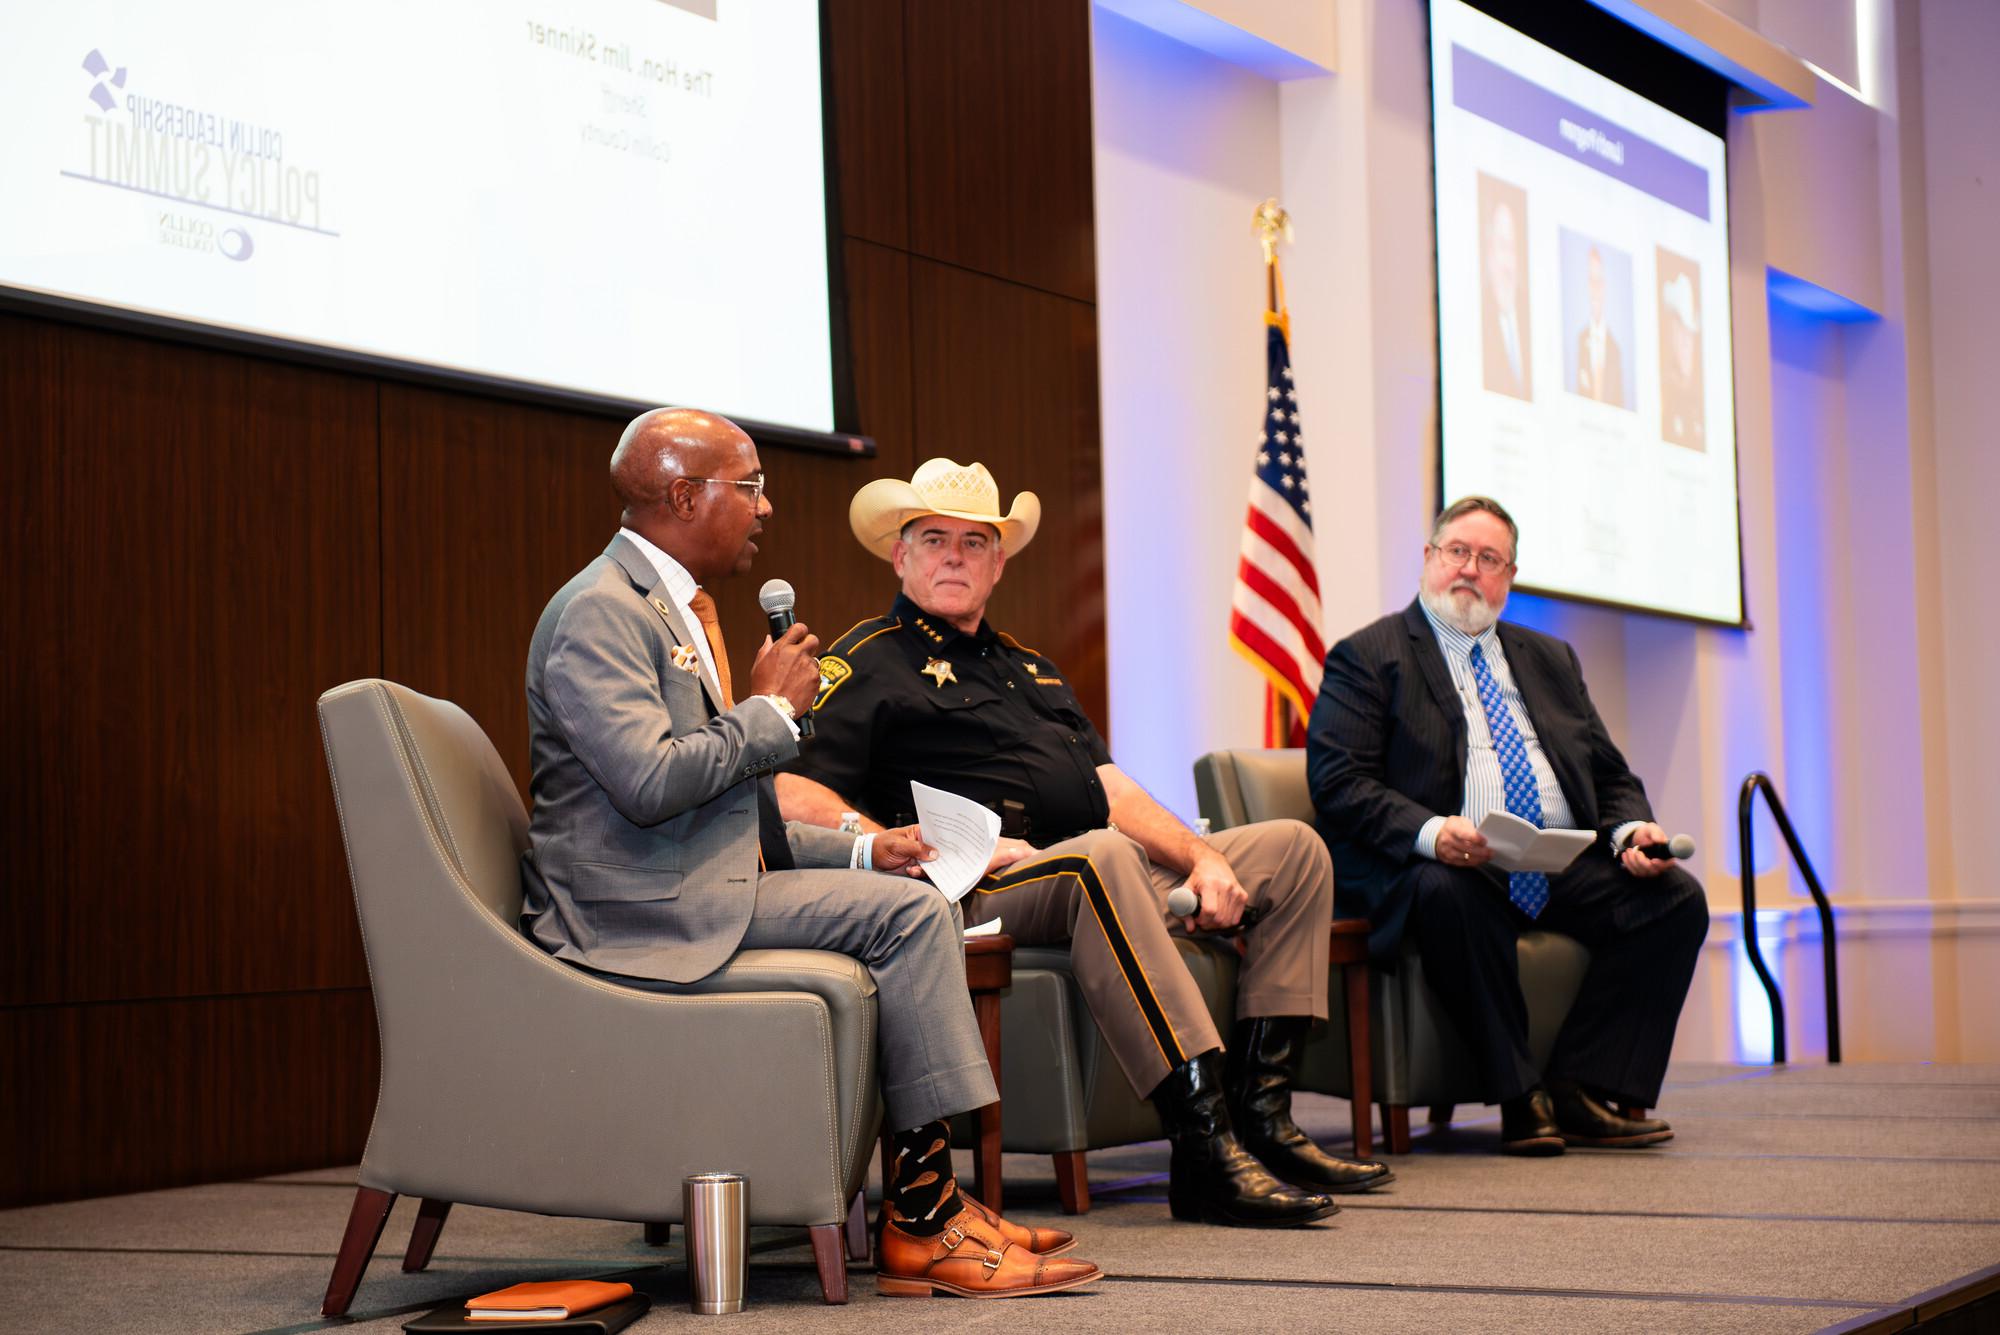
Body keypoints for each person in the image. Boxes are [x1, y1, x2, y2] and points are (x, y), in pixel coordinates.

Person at [520, 409, 1100, 1297]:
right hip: (639, 906)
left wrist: (872, 854)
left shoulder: (672, 606)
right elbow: (648, 784)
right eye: (748, 486)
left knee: (910, 889)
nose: (766, 507)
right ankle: (924, 1217)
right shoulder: (599, 612)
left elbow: (733, 815)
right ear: (683, 494)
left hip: (691, 880)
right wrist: (772, 712)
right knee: (913, 918)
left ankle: (930, 1203)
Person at [777, 457, 1391, 1229]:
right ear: (900, 556)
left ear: (999, 562)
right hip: (967, 887)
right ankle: (1204, 1142)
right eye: (934, 539)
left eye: (975, 542)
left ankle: (1265, 1117)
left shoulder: (1032, 669)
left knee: (1293, 849)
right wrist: (892, 842)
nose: (954, 556)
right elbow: (790, 790)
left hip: (1085, 866)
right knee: (1098, 856)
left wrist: (1203, 856)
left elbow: (1113, 789)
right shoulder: (864, 658)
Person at [1305, 496, 1708, 1156]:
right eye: (1457, 551)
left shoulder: (1550, 658)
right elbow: (1339, 783)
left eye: (1488, 558)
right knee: (1447, 891)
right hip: (1448, 864)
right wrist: (1434, 831)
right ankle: (1521, 1095)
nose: (1470, 568)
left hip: (1555, 862)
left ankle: (1580, 1084)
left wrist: (1630, 830)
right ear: (1429, 559)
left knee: (1673, 900)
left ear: (1509, 576)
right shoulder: (1369, 656)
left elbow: (1606, 772)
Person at [1481, 195, 1533, 400]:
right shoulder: (1479, 315)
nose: (1507, 265)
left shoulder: (1528, 314)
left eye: (1511, 248)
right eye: (1502, 246)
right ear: (1489, 252)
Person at [1575, 247, 1625, 407]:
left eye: (1599, 282)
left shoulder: (1615, 350)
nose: (1595, 289)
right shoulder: (1580, 340)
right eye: (1591, 281)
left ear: (1604, 286)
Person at [1660, 271, 1705, 450]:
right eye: (1681, 331)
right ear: (1672, 332)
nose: (1687, 343)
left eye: (1690, 334)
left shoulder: (1698, 399)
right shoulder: (1663, 391)